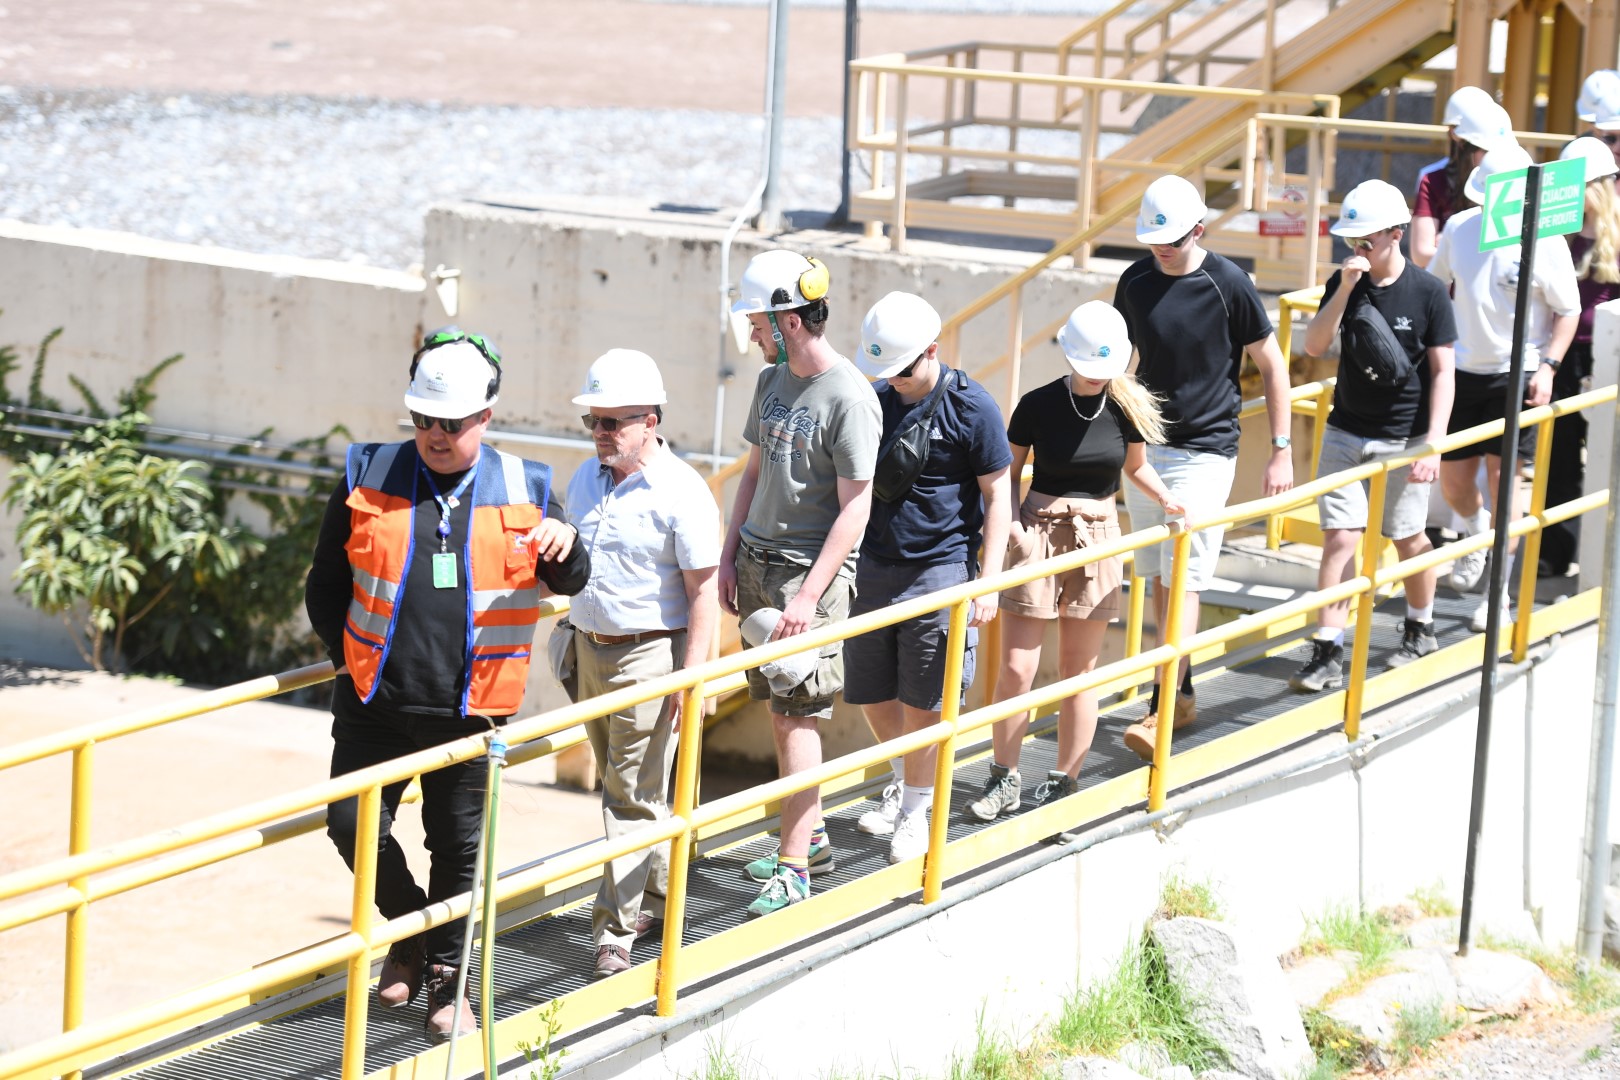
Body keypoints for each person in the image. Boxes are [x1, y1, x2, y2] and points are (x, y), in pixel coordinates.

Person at [304, 327, 589, 1041]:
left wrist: (567, 546)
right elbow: (326, 581)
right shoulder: (368, 472)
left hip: (471, 709)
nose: (435, 433)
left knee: (456, 851)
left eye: (452, 422)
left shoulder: (526, 486)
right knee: (351, 828)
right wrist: (345, 660)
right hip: (373, 701)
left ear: (485, 416)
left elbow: (571, 581)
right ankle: (411, 931)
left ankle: (447, 978)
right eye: (423, 418)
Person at [965, 302, 1183, 826]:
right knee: (1016, 669)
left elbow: (1136, 467)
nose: (1096, 376)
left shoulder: (1124, 407)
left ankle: (1065, 780)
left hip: (1098, 539)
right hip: (1037, 532)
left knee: (1078, 671)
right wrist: (1014, 529)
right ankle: (1003, 778)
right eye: (1088, 366)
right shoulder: (1037, 404)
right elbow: (1006, 475)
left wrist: (1168, 499)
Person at [718, 249, 881, 917]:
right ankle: (809, 838)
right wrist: (729, 554)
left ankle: (794, 870)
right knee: (781, 711)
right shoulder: (771, 381)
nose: (752, 332)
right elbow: (754, 473)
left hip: (804, 579)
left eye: (757, 321)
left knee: (797, 715)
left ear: (788, 320)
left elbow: (855, 508)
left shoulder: (850, 397)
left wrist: (808, 599)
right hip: (758, 566)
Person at [1112, 174, 1295, 761]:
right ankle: (1181, 690)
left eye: (1170, 240)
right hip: (1146, 451)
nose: (1160, 249)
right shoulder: (1135, 281)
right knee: (1160, 581)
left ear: (1199, 229)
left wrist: (1282, 448)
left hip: (1205, 451)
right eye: (1152, 240)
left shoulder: (1230, 283)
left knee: (1185, 577)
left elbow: (1273, 365)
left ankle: (1162, 704)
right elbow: (1120, 365)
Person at [565, 348, 720, 979]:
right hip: (587, 649)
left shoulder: (682, 490)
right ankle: (655, 896)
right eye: (592, 421)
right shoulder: (585, 479)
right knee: (631, 786)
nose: (599, 433)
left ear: (650, 420)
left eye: (612, 422)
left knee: (627, 796)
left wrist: (691, 676)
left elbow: (704, 593)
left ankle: (615, 932)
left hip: (649, 656)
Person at [841, 292, 1012, 863]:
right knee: (869, 691)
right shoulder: (874, 400)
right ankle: (904, 781)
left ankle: (917, 811)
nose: (895, 381)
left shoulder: (973, 407)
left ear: (932, 351)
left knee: (926, 698)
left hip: (940, 568)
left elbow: (998, 495)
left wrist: (988, 581)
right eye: (886, 371)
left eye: (904, 370)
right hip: (872, 566)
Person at [1288, 181, 1457, 692]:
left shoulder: (1428, 292)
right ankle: (1327, 649)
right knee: (1340, 538)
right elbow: (1315, 346)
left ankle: (1421, 626)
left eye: (1366, 240)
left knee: (1407, 537)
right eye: (1351, 240)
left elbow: (1444, 372)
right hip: (1345, 430)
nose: (1357, 249)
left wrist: (1433, 444)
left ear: (1396, 234)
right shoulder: (1346, 282)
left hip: (1403, 437)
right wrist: (1343, 288)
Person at [1428, 145, 1580, 632]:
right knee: (1454, 484)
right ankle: (1476, 535)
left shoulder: (1546, 240)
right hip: (1462, 372)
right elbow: (1435, 286)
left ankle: (1497, 595)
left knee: (1504, 484)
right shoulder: (1459, 228)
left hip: (1517, 373)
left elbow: (1569, 308)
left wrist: (1548, 367)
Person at [1540, 137, 1620, 577]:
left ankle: (1604, 558)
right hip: (1561, 353)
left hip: (1607, 354)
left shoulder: (1617, 232)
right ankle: (1556, 551)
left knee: (1608, 454)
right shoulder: (1555, 229)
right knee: (1560, 454)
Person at [1410, 91, 1513, 268]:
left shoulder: (1512, 175)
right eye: (1485, 150)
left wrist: (1450, 243)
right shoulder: (1433, 179)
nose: (1493, 158)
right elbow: (1421, 254)